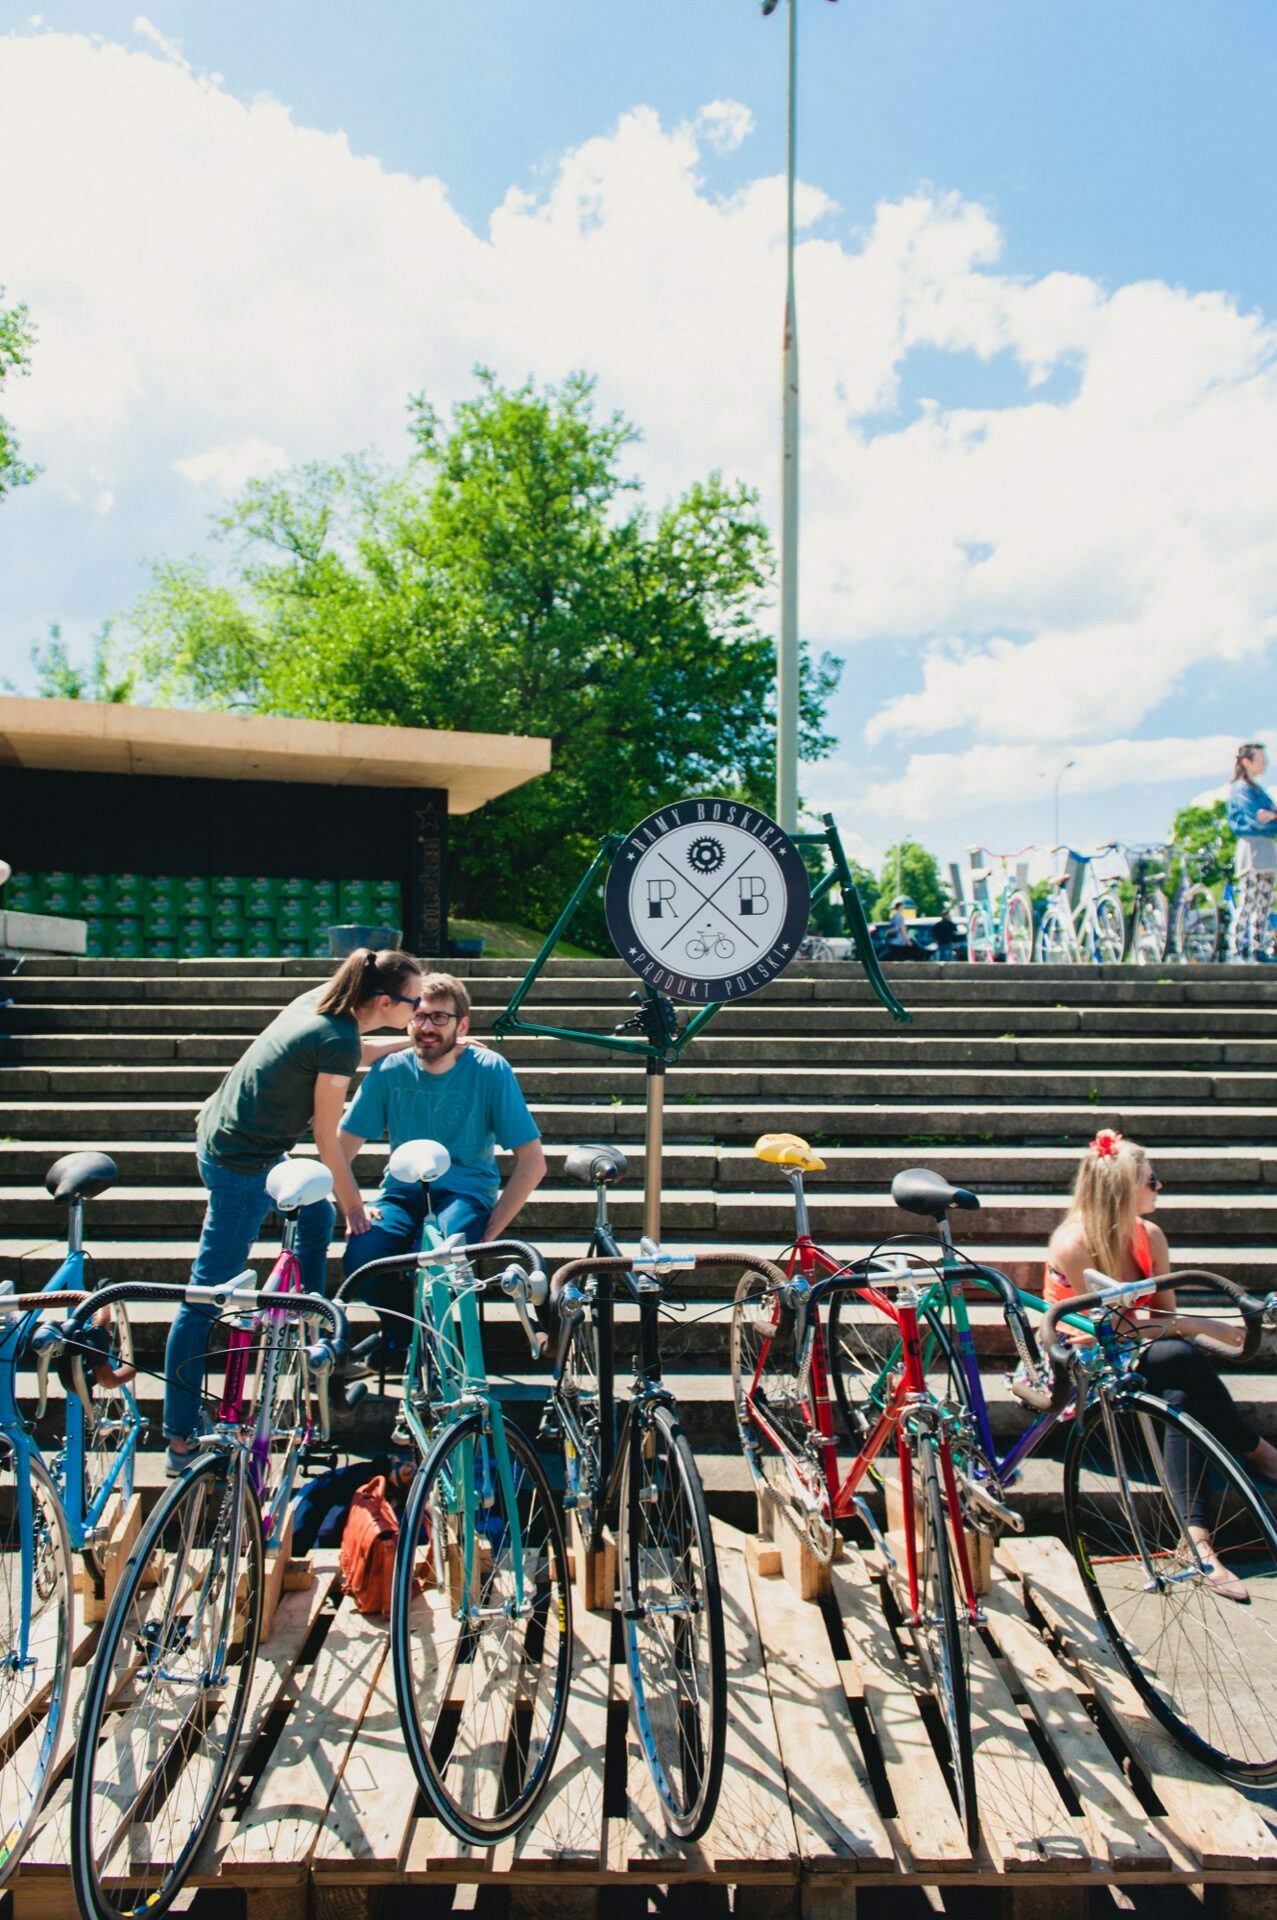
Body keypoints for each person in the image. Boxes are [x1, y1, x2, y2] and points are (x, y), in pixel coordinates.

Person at [163, 946, 423, 1470]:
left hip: (227, 1134)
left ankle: (309, 1320)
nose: (417, 1014)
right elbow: (328, 1139)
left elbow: (355, 1050)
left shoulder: (325, 1004)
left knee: (315, 1215)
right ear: (383, 1000)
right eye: (412, 1006)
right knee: (206, 1294)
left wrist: (422, 1042)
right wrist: (354, 1205)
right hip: (241, 1164)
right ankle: (179, 1438)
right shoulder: (334, 1037)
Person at [1045, 1129, 1277, 1597]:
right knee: (1179, 1357)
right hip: (1086, 1356)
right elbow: (1112, 1331)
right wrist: (1201, 1326)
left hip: (1143, 1351)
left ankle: (1196, 1541)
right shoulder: (1073, 1243)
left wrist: (1187, 1326)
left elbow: (1159, 1318)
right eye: (1152, 1179)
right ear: (1123, 1189)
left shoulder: (1149, 1235)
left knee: (1179, 1380)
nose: (1159, 1187)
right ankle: (1259, 1455)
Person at [338, 970, 547, 1358]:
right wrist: (354, 1206)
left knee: (442, 1265)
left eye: (439, 1017)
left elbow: (533, 1163)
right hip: (400, 1195)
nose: (427, 1026)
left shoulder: (489, 1069)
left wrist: (491, 1231)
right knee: (362, 1257)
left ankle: (438, 1356)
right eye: (419, 1015)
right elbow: (340, 1150)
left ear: (462, 1024)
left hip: (465, 1193)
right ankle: (403, 1338)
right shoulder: (389, 1070)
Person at [1227, 742, 1277, 962]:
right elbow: (1255, 818)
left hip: (1265, 846)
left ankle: (1258, 947)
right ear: (1247, 761)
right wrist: (1268, 816)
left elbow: (1269, 814)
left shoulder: (1258, 790)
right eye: (1260, 759)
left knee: (1264, 900)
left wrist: (1270, 816)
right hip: (1251, 846)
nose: (1265, 763)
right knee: (1249, 899)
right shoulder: (1241, 789)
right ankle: (1238, 946)